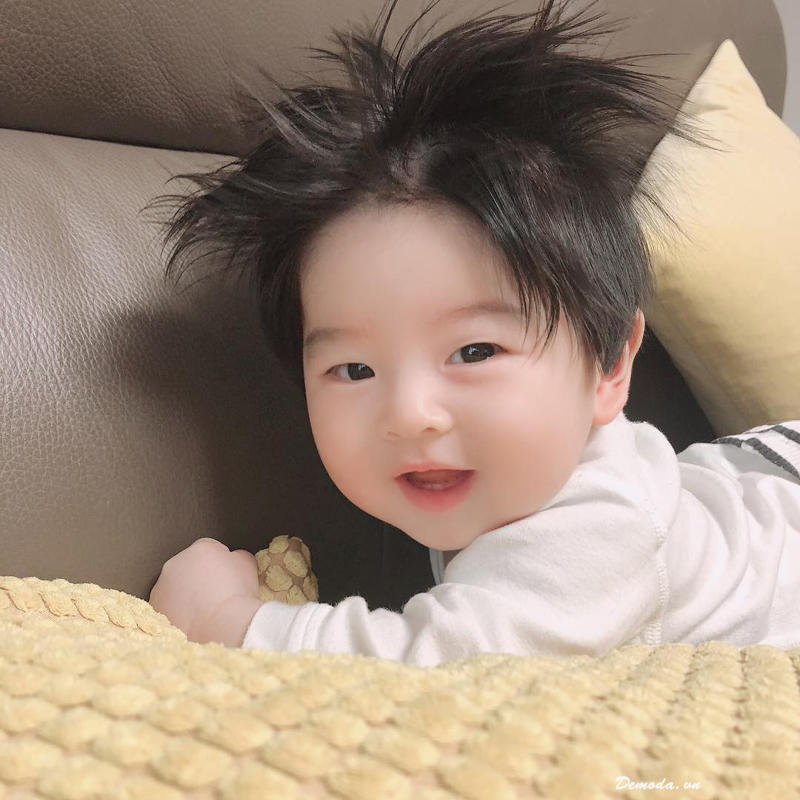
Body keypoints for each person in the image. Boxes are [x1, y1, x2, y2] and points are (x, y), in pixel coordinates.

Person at [148, 0, 800, 666]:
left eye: (475, 351)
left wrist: (225, 619)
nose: (410, 415)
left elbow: (442, 670)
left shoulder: (600, 528)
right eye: (354, 369)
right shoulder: (511, 482)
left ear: (608, 368)